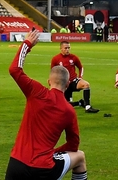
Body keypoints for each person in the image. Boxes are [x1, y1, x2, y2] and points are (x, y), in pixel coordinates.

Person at [5, 30, 87, 180]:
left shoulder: (36, 92)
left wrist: (27, 44)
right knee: (80, 157)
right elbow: (73, 144)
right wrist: (54, 151)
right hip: (43, 168)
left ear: (49, 81)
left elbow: (14, 69)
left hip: (16, 164)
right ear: (68, 84)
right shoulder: (69, 110)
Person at [50, 41, 99, 113]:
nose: (67, 50)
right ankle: (79, 103)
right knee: (63, 105)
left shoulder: (73, 57)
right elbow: (53, 72)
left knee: (86, 85)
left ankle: (87, 107)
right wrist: (53, 82)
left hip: (73, 81)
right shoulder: (55, 59)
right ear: (61, 48)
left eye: (69, 48)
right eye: (65, 48)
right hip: (63, 84)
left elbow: (81, 67)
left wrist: (80, 77)